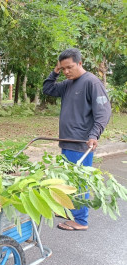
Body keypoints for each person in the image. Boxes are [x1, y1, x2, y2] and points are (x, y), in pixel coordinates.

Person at [43, 48, 111, 231]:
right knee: (68, 180)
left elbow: (103, 112)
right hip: (67, 140)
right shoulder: (68, 83)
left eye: (69, 67)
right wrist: (55, 71)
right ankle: (68, 211)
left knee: (79, 181)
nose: (66, 71)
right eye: (63, 68)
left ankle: (80, 220)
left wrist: (94, 134)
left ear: (80, 63)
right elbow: (48, 89)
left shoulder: (91, 82)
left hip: (81, 143)